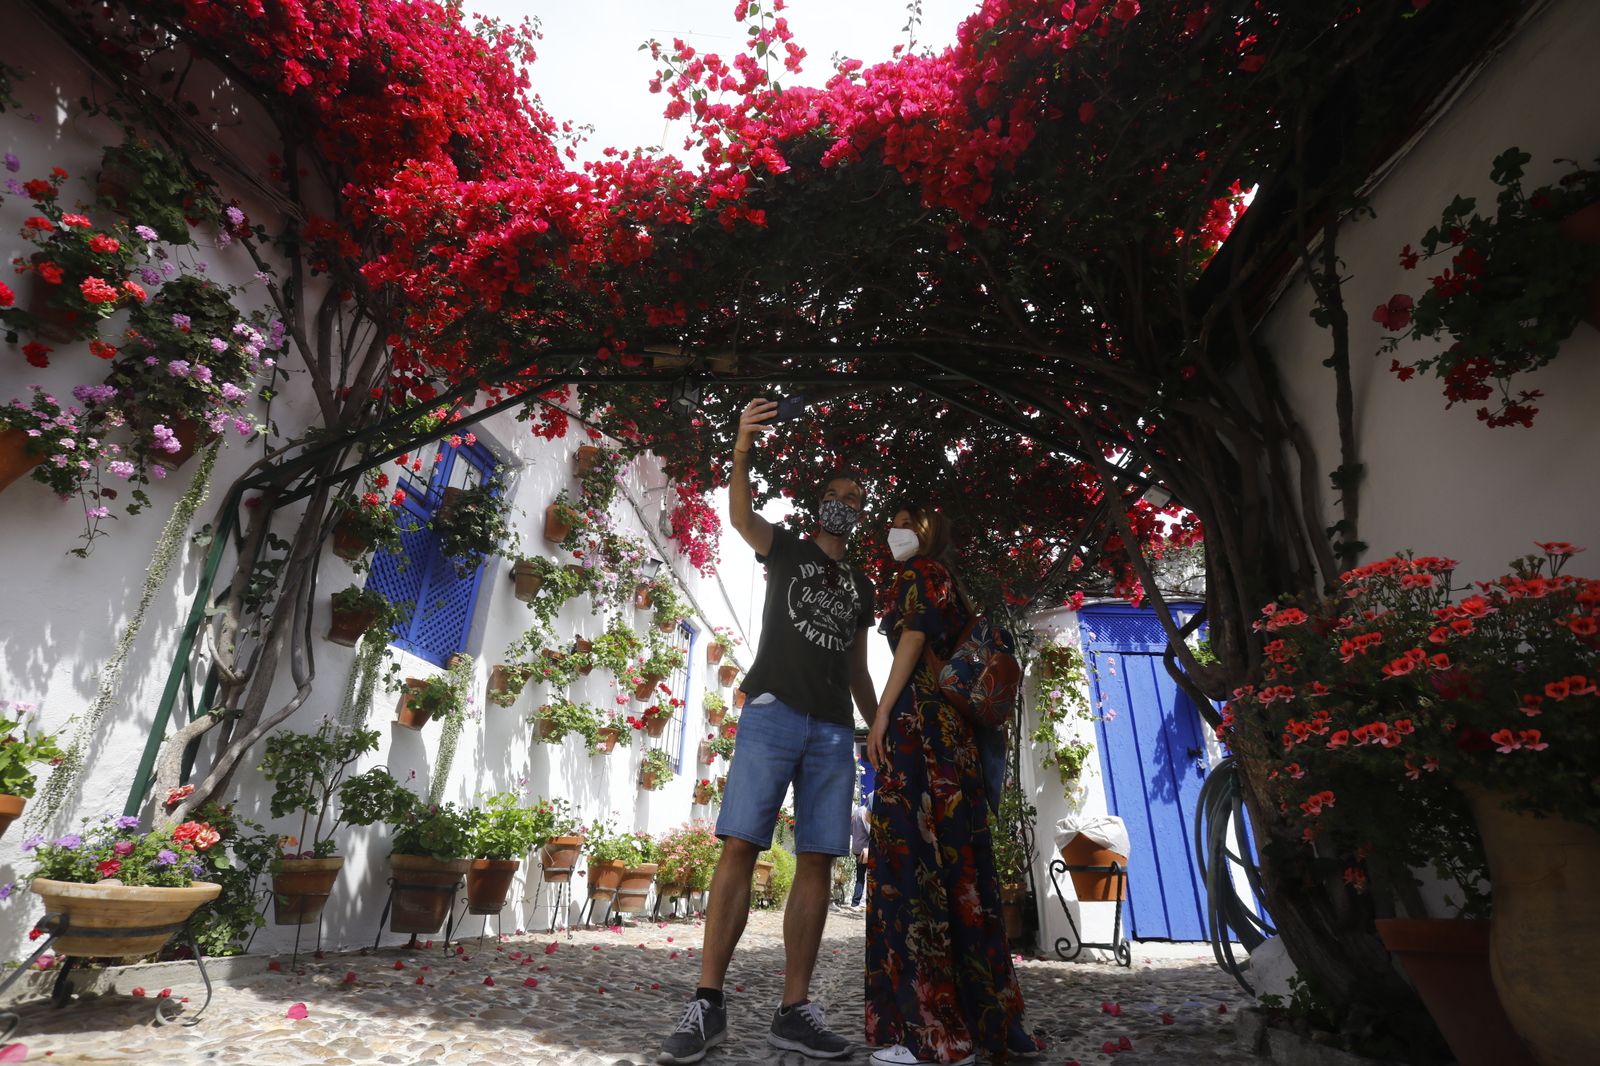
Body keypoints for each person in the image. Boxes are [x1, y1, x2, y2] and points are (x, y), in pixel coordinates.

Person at [658, 397, 878, 1065]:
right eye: (837, 494)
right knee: (740, 846)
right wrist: (744, 448)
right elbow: (739, 515)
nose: (847, 502)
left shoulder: (862, 586)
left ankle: (795, 1010)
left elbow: (857, 666)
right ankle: (706, 1003)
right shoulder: (785, 547)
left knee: (818, 857)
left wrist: (881, 726)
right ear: (820, 505)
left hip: (835, 729)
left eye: (856, 497)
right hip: (774, 711)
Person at [863, 503, 1041, 1066]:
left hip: (920, 735)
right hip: (954, 745)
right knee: (963, 878)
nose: (894, 530)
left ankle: (933, 1035)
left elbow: (913, 640)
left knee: (908, 872)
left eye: (905, 520)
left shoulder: (920, 574)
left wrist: (882, 713)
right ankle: (987, 1027)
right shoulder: (949, 584)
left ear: (930, 528)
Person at [850, 798, 870, 908]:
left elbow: (851, 830)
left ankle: (855, 901)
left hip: (856, 848)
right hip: (865, 849)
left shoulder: (857, 811)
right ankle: (861, 901)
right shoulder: (866, 812)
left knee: (860, 876)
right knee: (867, 876)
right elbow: (870, 831)